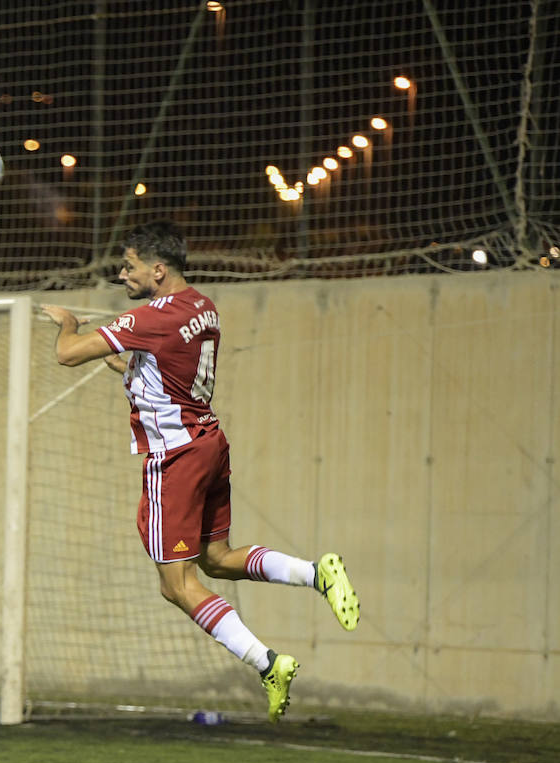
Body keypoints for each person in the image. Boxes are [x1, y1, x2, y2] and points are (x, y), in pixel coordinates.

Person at [40, 221, 358, 723]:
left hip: (175, 457)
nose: (123, 275)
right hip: (209, 441)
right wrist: (129, 366)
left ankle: (268, 663)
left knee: (177, 585)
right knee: (216, 557)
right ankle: (316, 573)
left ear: (158, 269)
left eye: (130, 266)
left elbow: (66, 355)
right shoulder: (203, 308)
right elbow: (165, 369)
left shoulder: (152, 316)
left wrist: (67, 322)